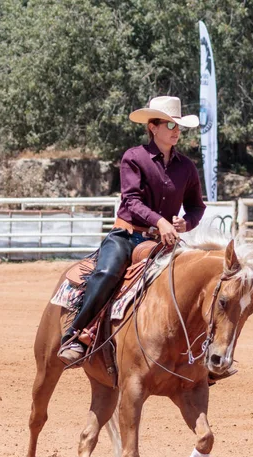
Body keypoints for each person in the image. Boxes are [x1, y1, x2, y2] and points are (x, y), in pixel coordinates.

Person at [58, 96, 206, 365]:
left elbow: (196, 206)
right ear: (153, 127)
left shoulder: (186, 167)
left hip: (163, 242)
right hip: (127, 236)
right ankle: (77, 335)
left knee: (195, 284)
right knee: (107, 273)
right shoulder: (134, 157)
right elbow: (131, 201)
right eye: (170, 125)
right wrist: (160, 221)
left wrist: (188, 222)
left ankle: (199, 352)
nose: (176, 131)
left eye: (178, 126)